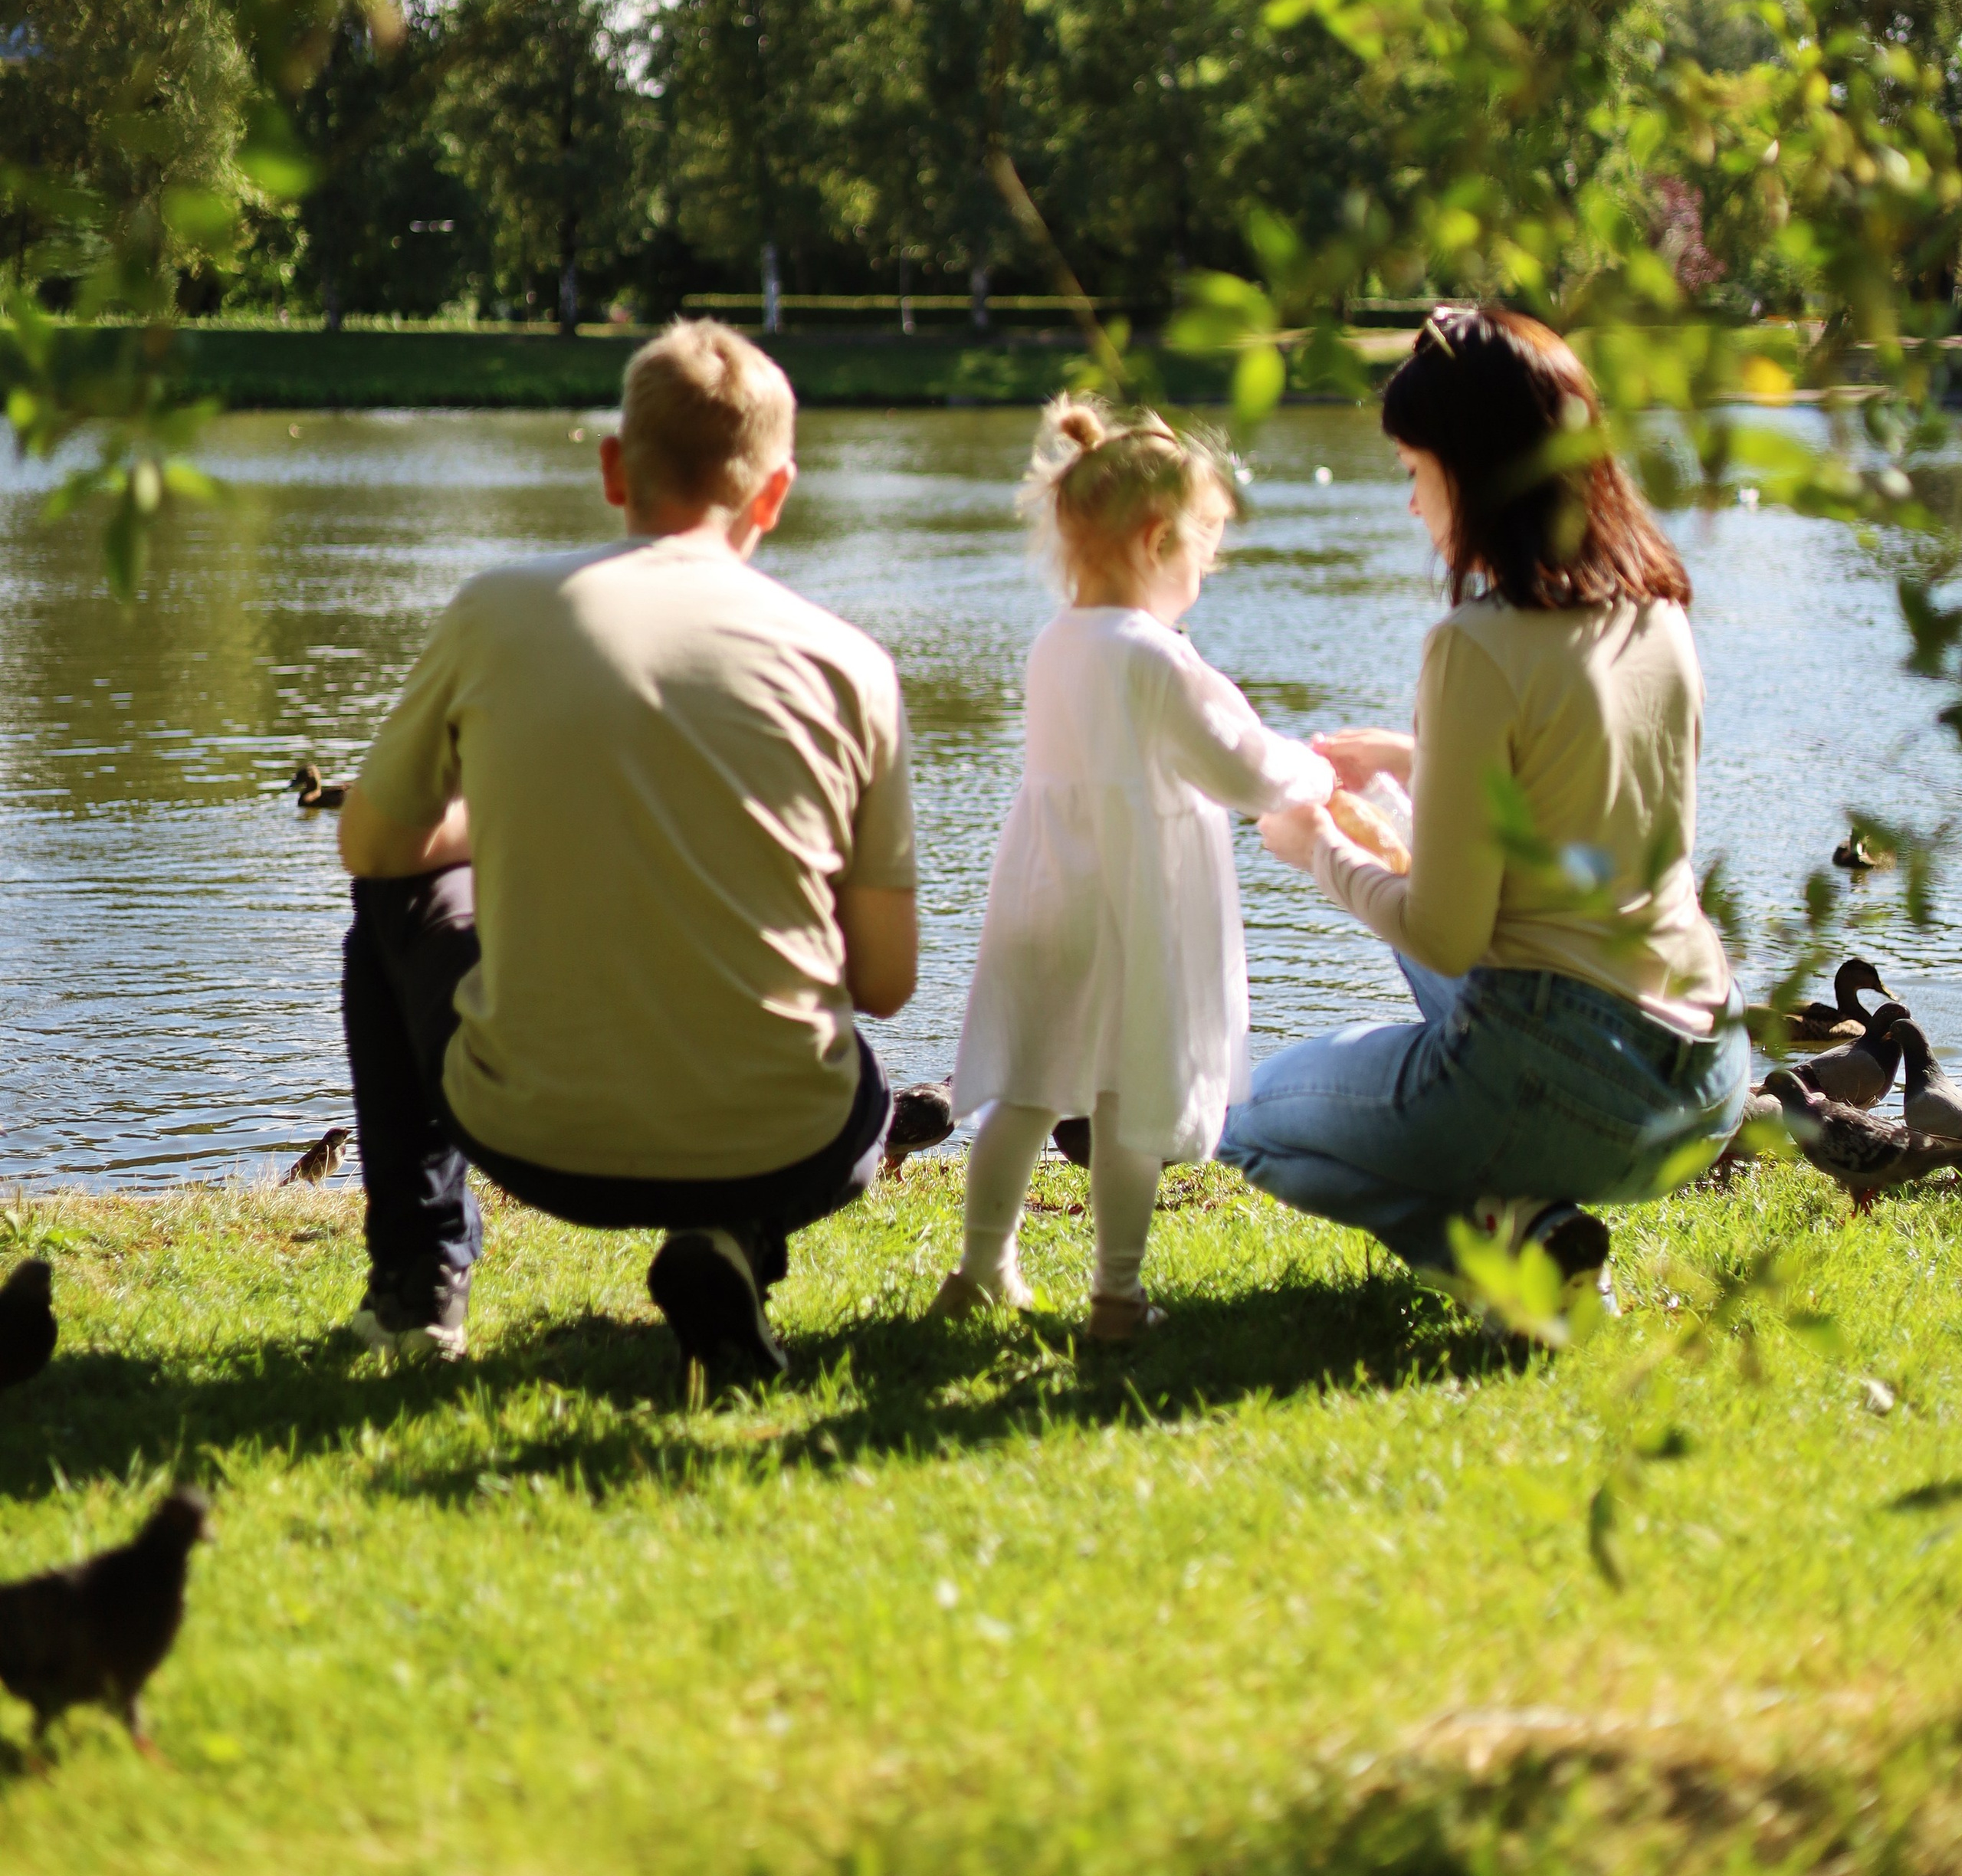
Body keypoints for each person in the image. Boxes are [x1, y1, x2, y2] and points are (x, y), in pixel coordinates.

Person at [334, 319, 917, 1380]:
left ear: (613, 468)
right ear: (777, 494)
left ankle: (420, 1286)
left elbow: (371, 844)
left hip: (540, 1142)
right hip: (793, 1142)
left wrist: (493, 821)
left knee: (388, 904)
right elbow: (885, 982)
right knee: (823, 1047)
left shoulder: (498, 611)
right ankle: (734, 1239)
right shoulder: (852, 666)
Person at [1219, 306, 1750, 1302]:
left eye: (1417, 473)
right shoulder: (1659, 615)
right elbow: (1587, 791)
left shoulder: (1475, 644)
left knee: (1234, 1114)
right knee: (1427, 881)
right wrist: (1416, 763)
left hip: (1564, 1083)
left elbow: (1447, 934)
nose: (1413, 507)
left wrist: (1318, 845)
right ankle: (1537, 1225)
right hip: (1703, 1075)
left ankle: (1510, 1257)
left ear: (1476, 471)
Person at [937, 398, 1331, 1340]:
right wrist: (1316, 770)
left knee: (1027, 1088)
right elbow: (1242, 769)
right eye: (1201, 554)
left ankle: (982, 1267)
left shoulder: (1054, 643)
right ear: (1158, 542)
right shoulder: (1156, 658)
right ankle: (1116, 1295)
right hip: (1132, 904)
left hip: (1045, 894)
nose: (1202, 576)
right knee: (1128, 1098)